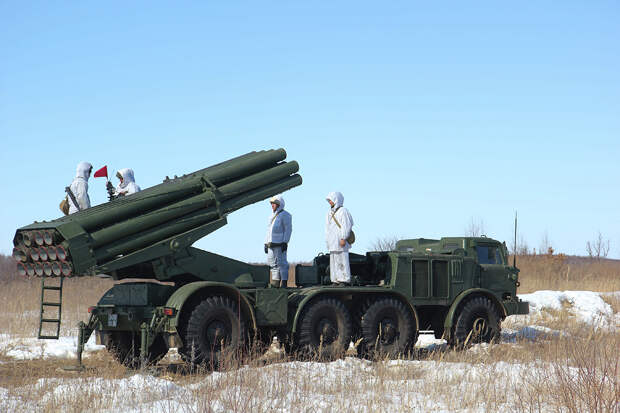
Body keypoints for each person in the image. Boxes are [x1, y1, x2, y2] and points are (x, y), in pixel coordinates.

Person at [325, 191, 354, 285]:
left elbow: (347, 225)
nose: (329, 202)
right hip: (332, 241)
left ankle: (344, 279)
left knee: (342, 260)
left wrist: (343, 238)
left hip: (340, 240)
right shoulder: (329, 213)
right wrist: (327, 240)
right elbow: (327, 228)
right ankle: (335, 279)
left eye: (331, 200)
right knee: (334, 261)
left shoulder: (343, 211)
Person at [264, 195, 292, 288]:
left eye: (274, 203)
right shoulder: (271, 216)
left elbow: (288, 229)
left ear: (279, 204)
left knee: (282, 263)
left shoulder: (286, 215)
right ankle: (276, 282)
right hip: (271, 243)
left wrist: (285, 242)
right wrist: (265, 243)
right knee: (272, 263)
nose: (272, 205)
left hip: (280, 243)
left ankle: (284, 282)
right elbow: (268, 230)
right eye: (271, 203)